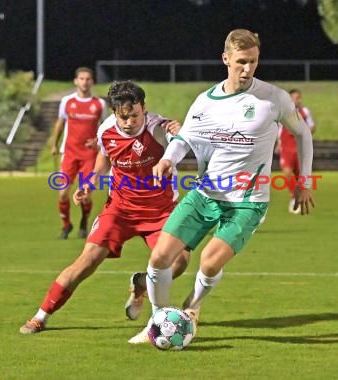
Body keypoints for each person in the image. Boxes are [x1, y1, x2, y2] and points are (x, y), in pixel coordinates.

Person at [128, 29, 315, 343]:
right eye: (241, 61)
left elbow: (303, 134)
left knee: (209, 261)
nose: (247, 68)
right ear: (225, 59)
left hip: (247, 201)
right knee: (160, 258)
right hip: (204, 194)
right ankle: (156, 324)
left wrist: (304, 181)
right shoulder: (205, 102)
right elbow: (186, 138)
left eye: (253, 61)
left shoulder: (274, 99)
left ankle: (192, 306)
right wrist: (168, 159)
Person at [20, 81, 190, 334]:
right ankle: (41, 315)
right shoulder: (106, 130)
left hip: (161, 211)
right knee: (86, 261)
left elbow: (182, 141)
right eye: (124, 117)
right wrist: (89, 184)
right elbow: (104, 157)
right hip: (120, 209)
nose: (130, 121)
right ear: (113, 113)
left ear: (144, 108)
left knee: (181, 261)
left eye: (135, 114)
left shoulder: (158, 128)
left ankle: (143, 284)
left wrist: (181, 131)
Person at [50, 67, 108, 239]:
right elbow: (60, 123)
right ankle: (66, 225)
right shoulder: (67, 102)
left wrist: (98, 142)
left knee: (85, 195)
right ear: (76, 81)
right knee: (62, 193)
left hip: (89, 156)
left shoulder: (99, 104)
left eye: (88, 79)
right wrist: (54, 144)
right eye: (81, 78)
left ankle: (84, 220)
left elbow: (106, 128)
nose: (84, 82)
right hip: (69, 153)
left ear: (92, 82)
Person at [277, 88, 316, 214]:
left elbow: (312, 127)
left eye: (297, 98)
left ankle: (300, 198)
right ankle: (293, 197)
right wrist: (278, 143)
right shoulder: (283, 111)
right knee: (287, 173)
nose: (295, 100)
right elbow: (278, 128)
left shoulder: (305, 112)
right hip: (287, 149)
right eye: (293, 98)